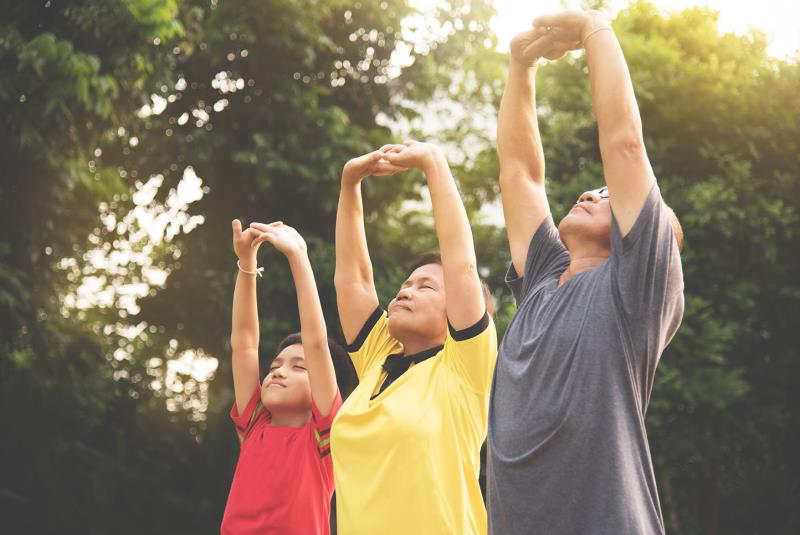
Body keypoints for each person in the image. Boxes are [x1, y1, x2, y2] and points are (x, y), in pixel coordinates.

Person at [487, 9, 685, 535]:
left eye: (609, 194)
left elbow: (623, 143)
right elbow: (519, 173)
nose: (594, 192)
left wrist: (594, 26)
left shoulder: (634, 288)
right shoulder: (542, 280)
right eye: (594, 189)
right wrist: (520, 65)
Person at [330, 141, 498, 534]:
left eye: (426, 287)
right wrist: (350, 183)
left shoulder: (464, 370)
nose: (405, 291)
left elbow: (461, 264)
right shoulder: (378, 360)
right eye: (406, 284)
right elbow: (353, 279)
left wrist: (433, 163)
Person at [221, 219, 343, 535]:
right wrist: (247, 265)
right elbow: (245, 343)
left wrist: (298, 256)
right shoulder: (254, 426)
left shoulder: (323, 441)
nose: (278, 371)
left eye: (299, 367)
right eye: (275, 365)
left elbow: (317, 342)